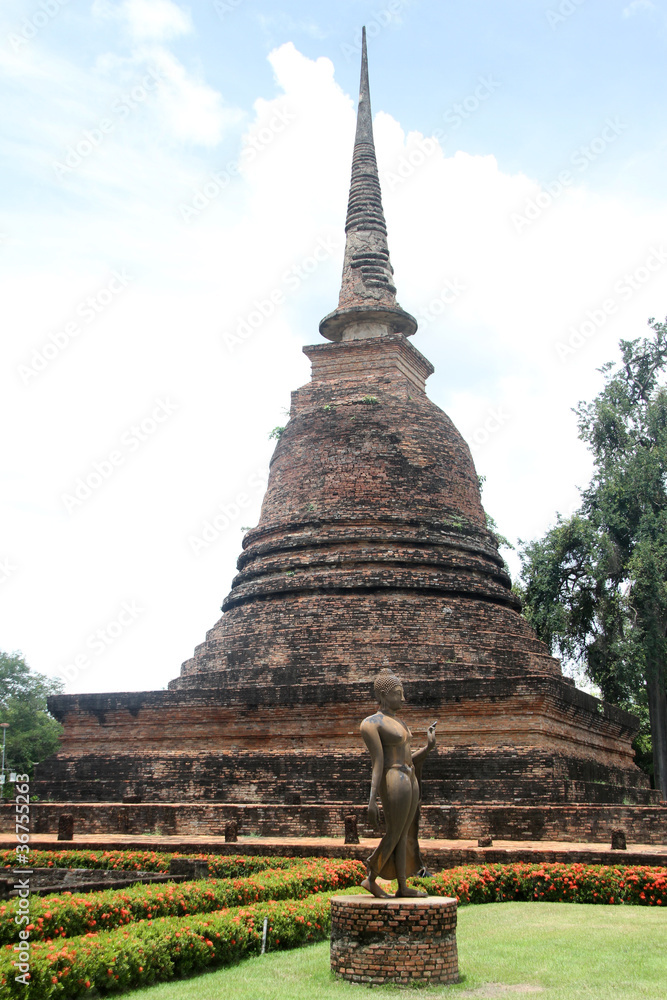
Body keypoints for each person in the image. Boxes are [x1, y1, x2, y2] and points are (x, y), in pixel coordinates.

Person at [360, 669, 437, 898]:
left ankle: (402, 886)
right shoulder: (371, 723)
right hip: (393, 776)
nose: (402, 698)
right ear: (383, 695)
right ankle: (371, 878)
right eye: (397, 693)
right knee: (394, 832)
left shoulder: (400, 722)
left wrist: (428, 747)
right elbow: (378, 762)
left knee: (405, 833)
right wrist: (372, 800)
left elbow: (409, 757)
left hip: (409, 776)